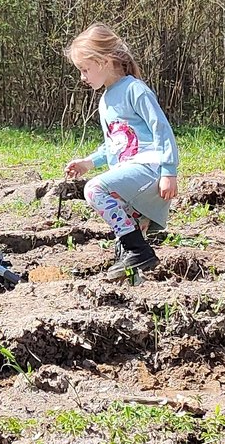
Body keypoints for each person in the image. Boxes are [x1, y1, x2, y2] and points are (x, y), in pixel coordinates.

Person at [62, 24, 180, 279]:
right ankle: (132, 264)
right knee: (128, 238)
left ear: (103, 61)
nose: (82, 77)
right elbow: (116, 144)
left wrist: (169, 171)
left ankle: (138, 249)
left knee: (93, 189)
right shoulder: (106, 99)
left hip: (149, 170)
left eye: (85, 69)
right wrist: (89, 162)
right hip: (131, 173)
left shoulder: (134, 89)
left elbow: (161, 128)